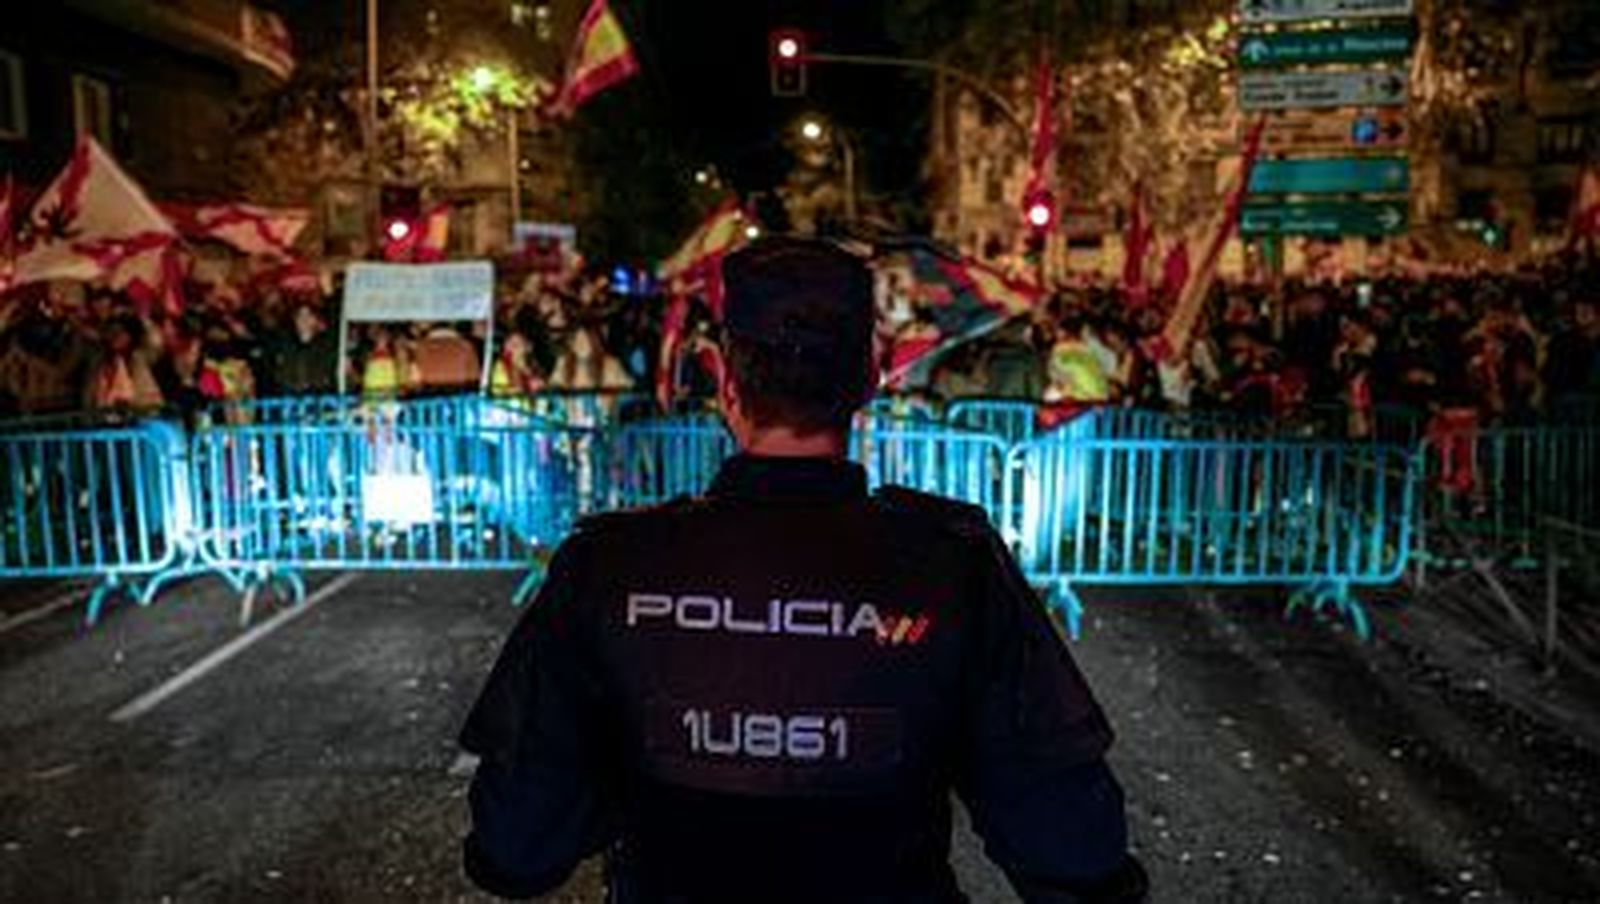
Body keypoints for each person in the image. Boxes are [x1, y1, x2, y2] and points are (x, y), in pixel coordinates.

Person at [459, 237, 1146, 903]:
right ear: (869, 379)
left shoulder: (607, 565)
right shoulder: (953, 566)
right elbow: (1075, 851)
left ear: (722, 378)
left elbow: (515, 850)